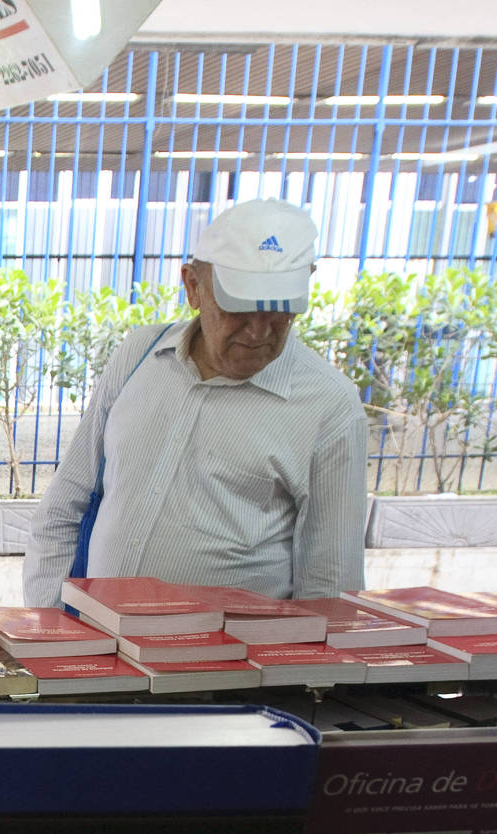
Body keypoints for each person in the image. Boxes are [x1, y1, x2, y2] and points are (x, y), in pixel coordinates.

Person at [23, 198, 369, 606]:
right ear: (193, 286)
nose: (259, 331)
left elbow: (329, 588)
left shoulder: (329, 405)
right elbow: (65, 507)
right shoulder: (140, 355)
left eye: (280, 310)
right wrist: (49, 629)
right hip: (98, 648)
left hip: (229, 664)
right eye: (238, 306)